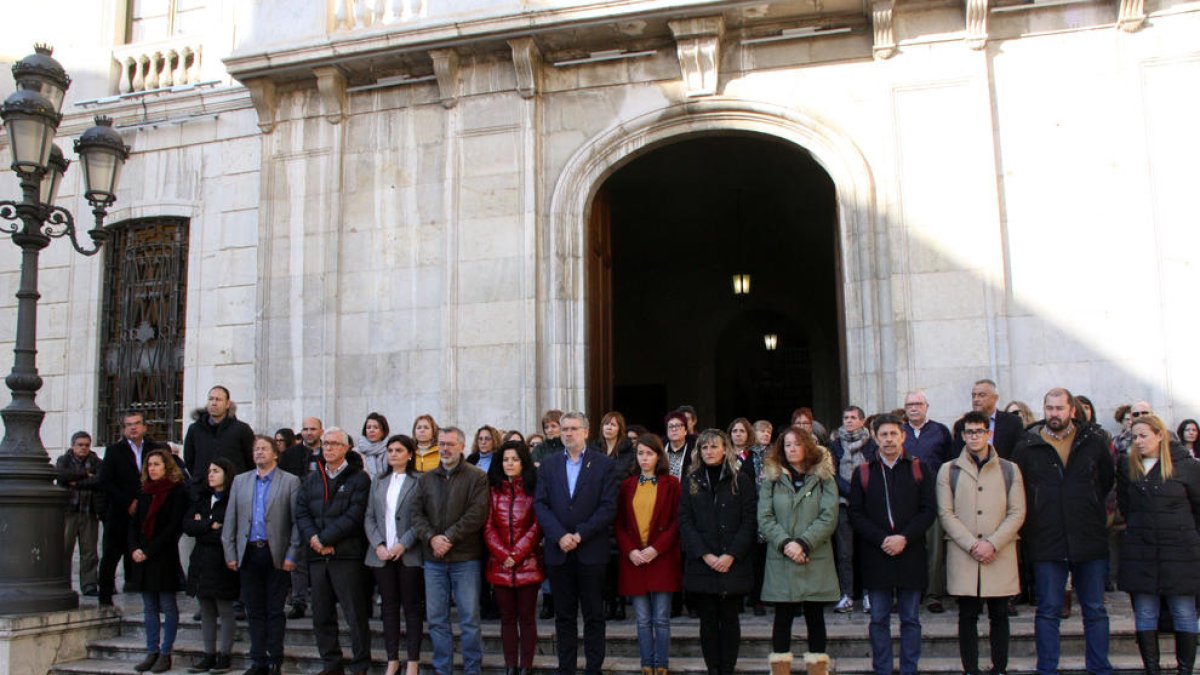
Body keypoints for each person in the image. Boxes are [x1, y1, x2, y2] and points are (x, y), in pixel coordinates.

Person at [1012, 387, 1114, 675]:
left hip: (1088, 535)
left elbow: (1105, 480)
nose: (1054, 414)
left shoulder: (1093, 441)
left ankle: (1099, 668)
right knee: (1048, 609)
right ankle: (1047, 668)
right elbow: (1019, 488)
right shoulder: (1027, 445)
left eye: (1059, 408)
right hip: (1046, 537)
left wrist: (1087, 505)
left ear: (1072, 410)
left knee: (1094, 609)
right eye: (1049, 408)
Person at [937, 411, 1026, 675]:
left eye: (979, 431)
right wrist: (972, 545)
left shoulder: (1009, 469)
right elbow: (946, 513)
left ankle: (999, 667)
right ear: (962, 436)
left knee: (999, 615)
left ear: (989, 433)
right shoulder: (949, 470)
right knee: (967, 616)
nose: (974, 436)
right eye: (969, 432)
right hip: (965, 553)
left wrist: (993, 543)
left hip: (999, 552)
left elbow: (1017, 512)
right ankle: (971, 668)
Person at [849, 413, 936, 675]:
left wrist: (904, 538)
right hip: (876, 555)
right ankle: (883, 669)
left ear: (903, 436)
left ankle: (909, 669)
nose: (888, 439)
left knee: (910, 618)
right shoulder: (863, 472)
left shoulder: (920, 469)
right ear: (875, 438)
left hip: (910, 553)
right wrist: (882, 539)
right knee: (878, 619)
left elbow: (929, 510)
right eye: (883, 435)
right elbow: (856, 514)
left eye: (893, 434)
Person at [534, 412, 618, 675]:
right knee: (564, 617)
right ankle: (566, 668)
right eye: (564, 429)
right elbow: (541, 505)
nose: (568, 433)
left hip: (591, 551)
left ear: (586, 431)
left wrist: (580, 535)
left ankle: (594, 669)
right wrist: (560, 535)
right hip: (559, 552)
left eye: (573, 428)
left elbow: (608, 507)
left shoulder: (603, 464)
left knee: (594, 616)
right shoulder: (548, 465)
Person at [1117, 414, 1200, 675]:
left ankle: (1185, 670)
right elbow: (1126, 506)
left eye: (1144, 436)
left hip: (1180, 551)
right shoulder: (1128, 466)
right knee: (1145, 612)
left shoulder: (1186, 466)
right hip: (1142, 550)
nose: (1138, 442)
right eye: (1134, 437)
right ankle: (1151, 669)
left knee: (1184, 611)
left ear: (1160, 435)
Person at [758, 426, 839, 675]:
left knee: (815, 616)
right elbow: (764, 516)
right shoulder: (772, 478)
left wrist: (803, 543)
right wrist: (786, 544)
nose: (792, 449)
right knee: (782, 617)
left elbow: (829, 516)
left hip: (813, 556)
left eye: (797, 444)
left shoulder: (823, 477)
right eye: (787, 445)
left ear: (807, 446)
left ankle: (818, 669)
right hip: (782, 556)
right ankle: (780, 670)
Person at [411, 426, 490, 675]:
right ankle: (442, 669)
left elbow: (477, 513)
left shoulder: (477, 477)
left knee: (469, 620)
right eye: (442, 444)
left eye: (450, 444)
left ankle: (472, 670)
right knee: (436, 620)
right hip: (433, 560)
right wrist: (432, 538)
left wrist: (448, 537)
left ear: (462, 447)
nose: (445, 449)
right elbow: (416, 514)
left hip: (465, 558)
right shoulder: (426, 479)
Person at [295, 427, 373, 675]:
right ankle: (331, 664)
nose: (328, 448)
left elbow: (354, 515)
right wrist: (314, 539)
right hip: (318, 556)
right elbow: (301, 511)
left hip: (346, 555)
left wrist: (326, 538)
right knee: (321, 615)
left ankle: (360, 665)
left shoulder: (359, 478)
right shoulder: (312, 479)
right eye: (325, 444)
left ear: (346, 448)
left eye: (334, 444)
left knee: (354, 615)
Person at [678, 429, 757, 675]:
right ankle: (713, 668)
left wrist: (731, 555)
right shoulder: (691, 480)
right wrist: (705, 554)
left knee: (730, 618)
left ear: (725, 449)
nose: (709, 452)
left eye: (714, 447)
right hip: (703, 562)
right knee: (708, 620)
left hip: (732, 562)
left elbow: (749, 520)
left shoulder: (740, 480)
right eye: (704, 447)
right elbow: (685, 520)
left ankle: (727, 668)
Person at [222, 434, 301, 675]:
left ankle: (275, 659)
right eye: (256, 449)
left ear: (275, 453)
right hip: (248, 553)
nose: (259, 452)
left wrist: (292, 555)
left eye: (264, 448)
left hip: (275, 553)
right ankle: (258, 660)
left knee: (275, 610)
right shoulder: (241, 481)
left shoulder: (290, 482)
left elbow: (296, 523)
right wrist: (230, 552)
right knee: (253, 610)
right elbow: (231, 520)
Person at [615, 434, 681, 675]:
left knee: (661, 618)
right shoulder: (627, 485)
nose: (644, 458)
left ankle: (661, 664)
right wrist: (631, 550)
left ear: (658, 456)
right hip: (635, 560)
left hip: (661, 558)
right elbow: (619, 523)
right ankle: (646, 664)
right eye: (640, 453)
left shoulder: (672, 484)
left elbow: (677, 522)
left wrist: (656, 548)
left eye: (649, 453)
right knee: (642, 619)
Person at [364, 434, 423, 675]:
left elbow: (422, 517)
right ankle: (393, 659)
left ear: (409, 454)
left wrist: (404, 543)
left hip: (408, 553)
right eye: (390, 451)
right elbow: (369, 516)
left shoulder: (419, 480)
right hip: (381, 554)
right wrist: (378, 544)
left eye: (399, 450)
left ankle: (413, 661)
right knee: (388, 608)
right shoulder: (378, 481)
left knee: (411, 607)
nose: (393, 454)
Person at [484, 440, 544, 675]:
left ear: (523, 463)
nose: (509, 464)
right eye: (505, 459)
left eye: (515, 459)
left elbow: (537, 526)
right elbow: (488, 527)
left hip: (528, 563)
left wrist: (517, 553)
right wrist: (503, 554)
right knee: (507, 619)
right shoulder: (492, 491)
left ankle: (526, 666)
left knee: (527, 619)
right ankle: (510, 666)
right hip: (500, 565)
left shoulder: (533, 490)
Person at [98, 412, 168, 606]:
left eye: (137, 423)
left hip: (148, 510)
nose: (133, 427)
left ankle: (152, 597)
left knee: (150, 552)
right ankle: (105, 597)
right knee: (111, 554)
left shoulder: (155, 449)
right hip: (119, 512)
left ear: (145, 427)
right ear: (123, 429)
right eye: (129, 425)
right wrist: (128, 502)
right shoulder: (114, 451)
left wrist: (142, 500)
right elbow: (106, 481)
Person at [129, 448, 189, 673]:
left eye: (157, 464)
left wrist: (149, 551)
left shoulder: (176, 492)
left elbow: (173, 528)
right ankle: (151, 651)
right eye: (150, 465)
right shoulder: (145, 492)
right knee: (149, 607)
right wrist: (134, 548)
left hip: (163, 556)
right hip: (143, 557)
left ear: (166, 467)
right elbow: (134, 524)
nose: (152, 469)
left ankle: (165, 652)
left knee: (167, 605)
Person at [183, 457, 240, 674]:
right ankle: (209, 654)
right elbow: (188, 525)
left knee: (224, 608)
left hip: (222, 560)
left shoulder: (232, 500)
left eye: (216, 471)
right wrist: (209, 525)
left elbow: (227, 532)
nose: (211, 475)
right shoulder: (203, 499)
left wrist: (203, 525)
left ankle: (225, 654)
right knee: (206, 608)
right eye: (209, 471)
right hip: (201, 561)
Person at [901, 390, 954, 614]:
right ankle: (907, 591)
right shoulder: (899, 431)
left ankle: (933, 594)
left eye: (918, 404)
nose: (914, 408)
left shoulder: (940, 430)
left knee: (934, 547)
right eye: (909, 405)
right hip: (904, 498)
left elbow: (950, 462)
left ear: (926, 407)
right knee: (906, 545)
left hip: (933, 495)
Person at [829, 405, 875, 614]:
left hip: (867, 505)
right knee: (845, 553)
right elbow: (832, 473)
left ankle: (868, 594)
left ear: (862, 421)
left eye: (853, 417)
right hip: (843, 504)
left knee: (867, 551)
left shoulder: (871, 444)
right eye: (846, 417)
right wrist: (851, 493)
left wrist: (860, 495)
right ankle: (846, 595)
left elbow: (874, 470)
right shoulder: (835, 445)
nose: (848, 421)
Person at [280, 416, 322, 620]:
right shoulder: (290, 455)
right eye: (305, 429)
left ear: (321, 431)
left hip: (324, 512)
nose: (308, 432)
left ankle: (323, 602)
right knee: (298, 558)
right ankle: (298, 602)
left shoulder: (328, 452)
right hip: (298, 510)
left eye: (313, 429)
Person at [183, 385, 255, 501]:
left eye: (218, 399)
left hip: (233, 491)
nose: (214, 403)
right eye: (211, 399)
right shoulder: (195, 429)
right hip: (202, 491)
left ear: (227, 404)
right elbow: (189, 459)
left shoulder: (242, 429)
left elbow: (251, 461)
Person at [56, 430, 105, 597]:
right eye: (80, 445)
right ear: (73, 446)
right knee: (64, 549)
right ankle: (63, 582)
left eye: (87, 445)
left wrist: (76, 483)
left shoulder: (96, 462)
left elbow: (99, 480)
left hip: (89, 511)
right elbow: (61, 476)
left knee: (89, 552)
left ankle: (89, 585)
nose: (84, 448)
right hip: (68, 512)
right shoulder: (64, 460)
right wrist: (85, 474)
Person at [595, 411, 634, 620]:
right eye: (606, 424)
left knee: (619, 560)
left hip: (621, 511)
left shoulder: (629, 453)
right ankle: (606, 601)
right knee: (602, 560)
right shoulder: (593, 451)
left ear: (620, 428)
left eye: (613, 424)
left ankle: (619, 602)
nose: (609, 428)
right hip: (598, 511)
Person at [467, 424, 503, 620]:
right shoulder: (471, 460)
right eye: (480, 438)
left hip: (495, 518)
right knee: (479, 565)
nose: (483, 442)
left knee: (495, 562)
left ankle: (497, 605)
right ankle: (483, 603)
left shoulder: (500, 460)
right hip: (475, 520)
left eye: (487, 438)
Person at [735, 418, 768, 616]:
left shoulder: (755, 455)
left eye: (742, 431)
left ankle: (756, 598)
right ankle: (737, 598)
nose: (738, 434)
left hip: (752, 510)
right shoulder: (722, 454)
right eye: (735, 431)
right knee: (736, 556)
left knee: (756, 557)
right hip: (731, 512)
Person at [953, 379, 1024, 459]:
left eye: (981, 395)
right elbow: (957, 456)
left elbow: (1019, 454)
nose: (976, 399)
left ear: (995, 398)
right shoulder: (961, 424)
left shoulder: (1013, 422)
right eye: (973, 396)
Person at [356, 412, 391, 478]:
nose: (371, 430)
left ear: (383, 431)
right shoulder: (357, 452)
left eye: (376, 427)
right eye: (368, 427)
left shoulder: (391, 450)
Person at [663, 411, 694, 481]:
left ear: (685, 431)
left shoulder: (694, 449)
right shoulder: (659, 448)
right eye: (671, 426)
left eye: (678, 426)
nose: (674, 429)